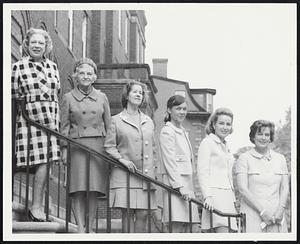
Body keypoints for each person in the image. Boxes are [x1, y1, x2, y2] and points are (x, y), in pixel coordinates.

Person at [11, 28, 61, 222]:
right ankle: (27, 203)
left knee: (47, 162)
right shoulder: (18, 66)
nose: (37, 46)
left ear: (46, 46)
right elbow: (13, 95)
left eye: (41, 43)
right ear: (27, 44)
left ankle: (36, 206)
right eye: (34, 42)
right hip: (29, 121)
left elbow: (56, 92)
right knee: (27, 161)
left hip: (51, 121)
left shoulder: (53, 67)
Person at [60, 58, 111, 233]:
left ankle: (90, 227)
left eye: (89, 73)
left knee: (94, 189)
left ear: (95, 77)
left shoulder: (102, 97)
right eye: (82, 73)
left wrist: (110, 149)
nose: (85, 76)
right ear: (76, 76)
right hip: (77, 146)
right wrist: (64, 149)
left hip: (98, 146)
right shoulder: (68, 98)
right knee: (78, 188)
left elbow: (109, 125)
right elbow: (64, 126)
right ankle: (81, 228)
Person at [104, 80, 157, 233]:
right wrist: (122, 160)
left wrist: (155, 174)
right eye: (135, 92)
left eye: (141, 93)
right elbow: (109, 146)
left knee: (143, 213)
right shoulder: (116, 120)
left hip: (145, 176)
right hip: (124, 173)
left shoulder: (149, 121)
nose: (138, 95)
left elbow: (153, 149)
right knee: (127, 213)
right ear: (127, 95)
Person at [235, 120, 289, 232]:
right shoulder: (244, 158)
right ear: (253, 136)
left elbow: (285, 188)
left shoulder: (280, 159)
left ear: (270, 138)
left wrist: (280, 210)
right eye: (259, 134)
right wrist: (262, 212)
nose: (263, 138)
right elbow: (243, 189)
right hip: (253, 216)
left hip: (277, 217)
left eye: (267, 135)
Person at [159, 95, 200, 233]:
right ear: (169, 110)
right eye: (178, 109)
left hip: (187, 185)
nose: (182, 112)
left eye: (184, 109)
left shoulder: (183, 131)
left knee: (191, 226)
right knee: (175, 225)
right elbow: (169, 160)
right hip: (176, 186)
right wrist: (179, 186)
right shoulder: (167, 131)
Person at [196, 108, 237, 233]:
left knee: (230, 232)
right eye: (221, 123)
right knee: (222, 230)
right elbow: (202, 172)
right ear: (214, 125)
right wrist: (207, 196)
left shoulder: (225, 145)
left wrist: (233, 198)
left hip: (228, 196)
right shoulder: (207, 143)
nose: (225, 127)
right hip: (214, 195)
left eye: (228, 124)